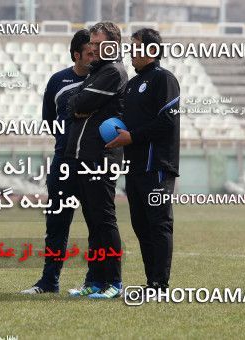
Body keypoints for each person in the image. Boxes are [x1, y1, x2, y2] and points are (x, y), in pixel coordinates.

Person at [20, 30, 96, 294]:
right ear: (77, 55)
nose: (95, 56)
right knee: (56, 224)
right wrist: (67, 141)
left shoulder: (105, 78)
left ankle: (94, 281)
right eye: (89, 52)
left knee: (97, 224)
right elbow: (50, 119)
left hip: (94, 163)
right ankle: (49, 281)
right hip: (64, 161)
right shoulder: (57, 80)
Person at [105, 28, 180, 292]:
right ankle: (152, 281)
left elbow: (167, 122)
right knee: (141, 224)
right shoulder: (133, 84)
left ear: (151, 51)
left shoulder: (164, 79)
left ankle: (160, 284)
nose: (131, 52)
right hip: (134, 166)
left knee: (158, 223)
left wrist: (132, 137)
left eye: (135, 47)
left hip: (157, 165)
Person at [64, 22, 129, 299]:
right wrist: (78, 106)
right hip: (84, 155)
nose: (91, 46)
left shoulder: (113, 71)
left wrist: (80, 106)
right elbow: (71, 106)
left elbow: (78, 105)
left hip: (100, 157)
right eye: (90, 41)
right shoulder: (98, 71)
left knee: (104, 220)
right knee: (93, 222)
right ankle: (94, 280)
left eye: (96, 41)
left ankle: (114, 282)